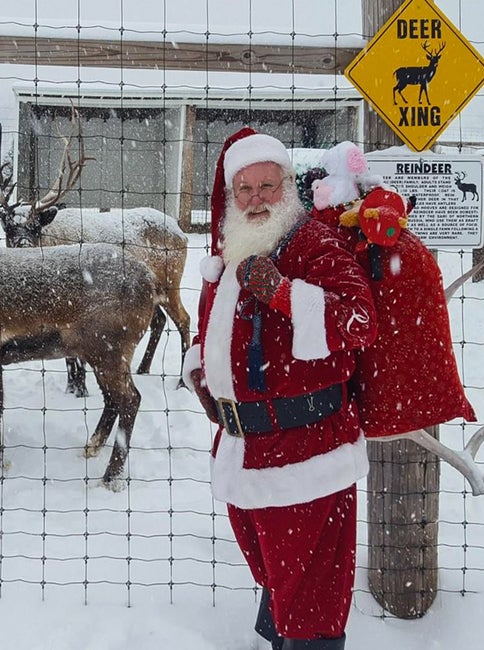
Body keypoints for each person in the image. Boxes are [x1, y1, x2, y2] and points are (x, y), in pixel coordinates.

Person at [182, 128, 379, 650]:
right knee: (277, 574)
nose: (256, 199)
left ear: (288, 186)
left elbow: (360, 320)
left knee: (311, 595)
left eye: (267, 186)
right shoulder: (233, 248)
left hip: (307, 450)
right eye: (244, 189)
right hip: (246, 449)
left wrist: (283, 293)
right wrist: (201, 370)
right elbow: (213, 326)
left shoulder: (313, 244)